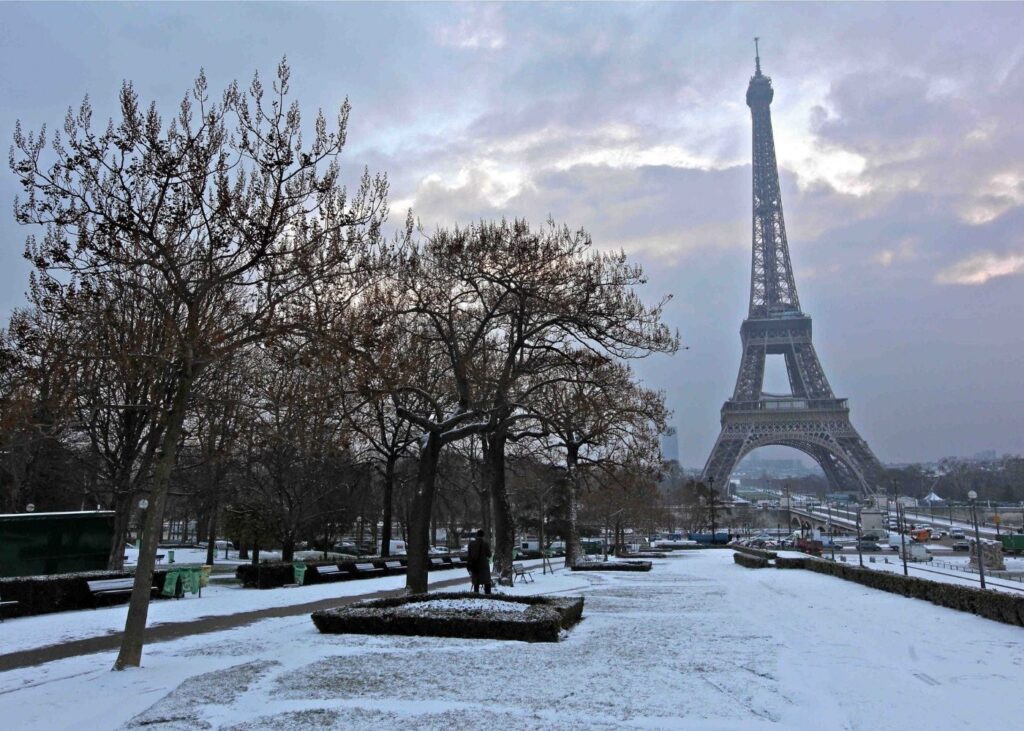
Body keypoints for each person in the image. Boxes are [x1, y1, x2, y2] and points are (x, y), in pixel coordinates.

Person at [467, 529, 493, 595]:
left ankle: (476, 595)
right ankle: (488, 595)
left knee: (476, 582)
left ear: (476, 535)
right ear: (483, 536)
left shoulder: (471, 544)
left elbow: (469, 555)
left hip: (474, 566)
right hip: (484, 567)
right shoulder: (485, 544)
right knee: (486, 582)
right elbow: (489, 555)